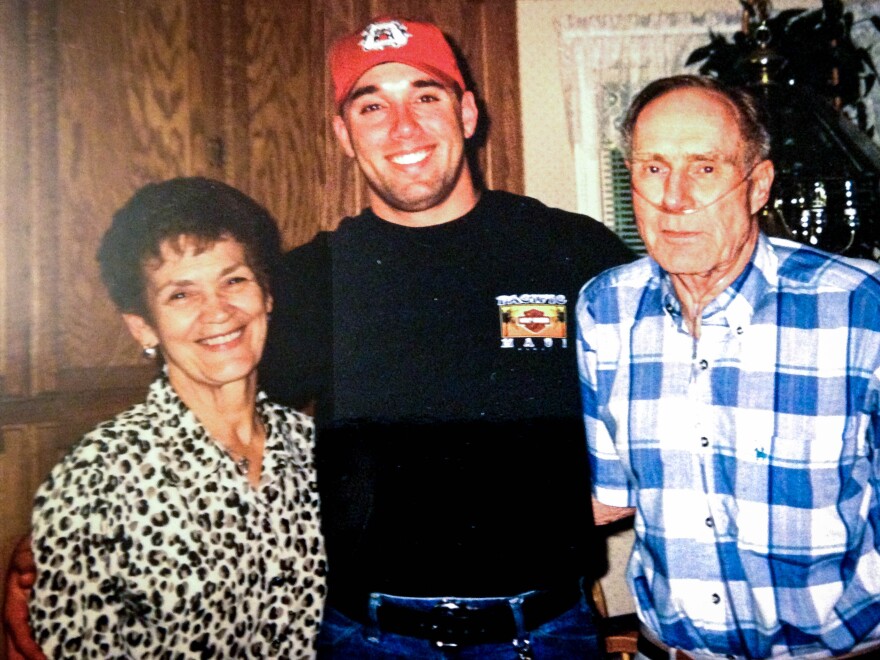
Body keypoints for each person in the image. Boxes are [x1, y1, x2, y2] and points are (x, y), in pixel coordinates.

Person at [259, 16, 635, 659]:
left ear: (466, 113)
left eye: (425, 97)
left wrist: (632, 471)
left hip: (543, 635)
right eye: (372, 105)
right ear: (344, 135)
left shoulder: (570, 251)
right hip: (366, 637)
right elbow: (202, 416)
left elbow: (683, 372)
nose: (402, 127)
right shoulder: (305, 281)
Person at [576, 74, 880, 659]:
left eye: (706, 168)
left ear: (759, 184)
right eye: (653, 168)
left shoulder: (860, 307)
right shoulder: (604, 310)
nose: (674, 198)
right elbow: (611, 496)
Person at [26, 177, 326, 658]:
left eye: (234, 280)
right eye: (181, 296)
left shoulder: (314, 451)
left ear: (267, 295)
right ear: (143, 326)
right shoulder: (97, 475)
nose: (219, 312)